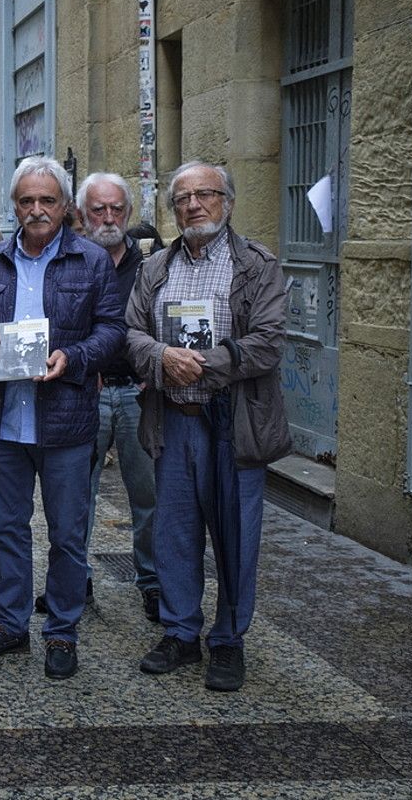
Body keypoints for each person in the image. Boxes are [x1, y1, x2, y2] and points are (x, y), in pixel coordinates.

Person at [0, 157, 125, 680]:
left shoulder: (93, 261)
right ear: (14, 205)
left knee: (68, 534)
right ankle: (11, 626)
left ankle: (61, 632)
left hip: (67, 419)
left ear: (64, 206)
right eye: (26, 201)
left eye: (47, 200)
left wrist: (72, 358)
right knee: (8, 529)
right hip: (3, 418)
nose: (36, 210)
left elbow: (112, 329)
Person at [126, 161, 290, 692]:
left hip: (233, 424)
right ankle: (180, 631)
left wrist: (205, 363)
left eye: (206, 194)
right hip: (173, 420)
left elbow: (268, 341)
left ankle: (228, 640)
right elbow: (131, 333)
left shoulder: (257, 264)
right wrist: (160, 356)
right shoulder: (156, 269)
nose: (194, 205)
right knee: (174, 532)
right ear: (172, 209)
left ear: (228, 202)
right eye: (182, 198)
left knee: (235, 535)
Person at [34, 172, 161, 622]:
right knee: (73, 497)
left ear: (128, 213)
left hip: (139, 394)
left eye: (117, 209)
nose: (108, 218)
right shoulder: (69, 261)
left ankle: (151, 581)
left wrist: (154, 374)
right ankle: (73, 581)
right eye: (98, 210)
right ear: (81, 216)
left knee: (147, 495)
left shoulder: (151, 264)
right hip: (84, 391)